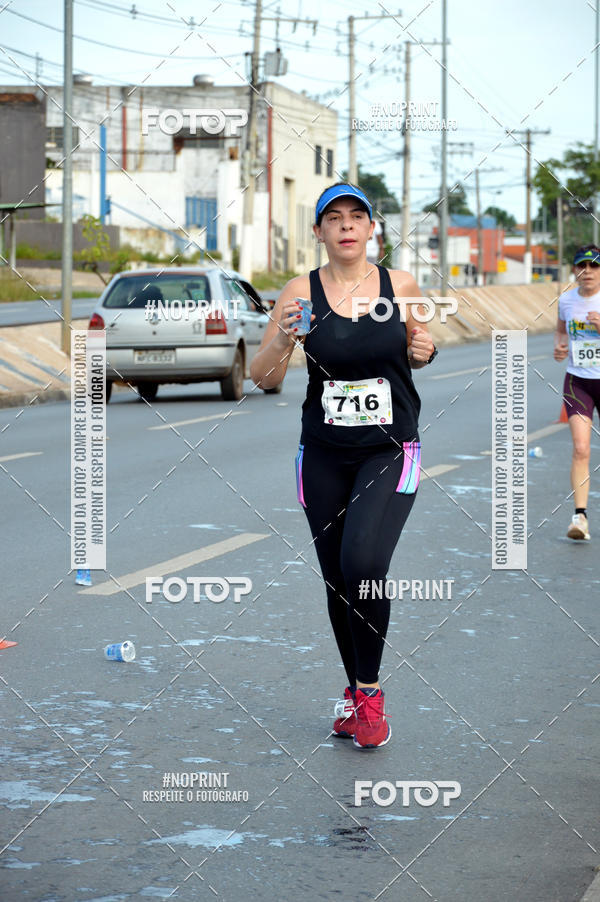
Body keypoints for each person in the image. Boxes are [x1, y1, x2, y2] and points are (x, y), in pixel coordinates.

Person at [250, 182, 436, 749]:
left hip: (388, 449)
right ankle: (355, 696)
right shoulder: (297, 292)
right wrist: (285, 335)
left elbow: (420, 346)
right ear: (320, 231)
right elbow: (263, 378)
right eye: (335, 217)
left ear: (372, 229)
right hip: (324, 454)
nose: (347, 225)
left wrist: (423, 349)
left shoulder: (399, 286)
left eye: (358, 216)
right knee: (337, 578)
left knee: (363, 561)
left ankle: (371, 697)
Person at [554, 244, 600, 541]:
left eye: (594, 266)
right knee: (581, 448)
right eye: (582, 266)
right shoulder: (567, 301)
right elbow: (560, 331)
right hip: (578, 381)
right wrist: (559, 348)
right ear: (575, 270)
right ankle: (580, 517)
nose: (587, 272)